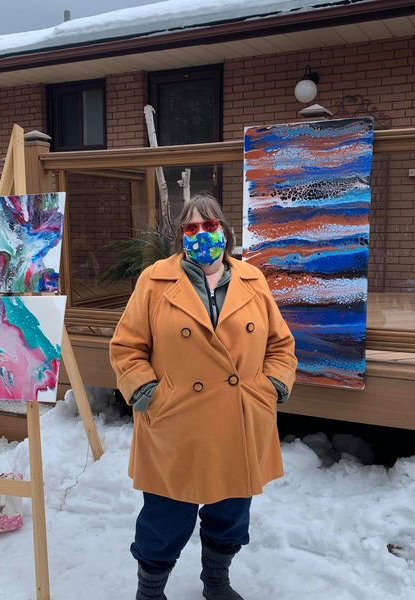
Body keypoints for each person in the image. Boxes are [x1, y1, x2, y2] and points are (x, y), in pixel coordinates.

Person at [109, 193, 297, 600]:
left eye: (209, 226)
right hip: (176, 423)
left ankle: (216, 582)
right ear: (181, 235)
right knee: (165, 519)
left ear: (224, 231)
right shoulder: (155, 280)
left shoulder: (252, 279)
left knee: (230, 514)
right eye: (191, 228)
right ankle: (150, 591)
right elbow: (126, 347)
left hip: (240, 420)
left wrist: (272, 386)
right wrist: (148, 394)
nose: (200, 235)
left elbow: (281, 345)